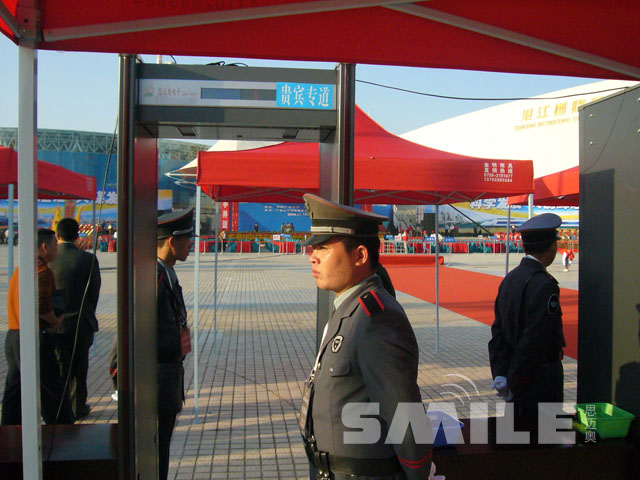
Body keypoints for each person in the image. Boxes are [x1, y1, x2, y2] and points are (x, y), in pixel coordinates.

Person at [299, 193, 442, 480]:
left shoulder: (376, 318)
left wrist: (419, 474)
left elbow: (404, 413)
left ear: (360, 255)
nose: (312, 256)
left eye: (324, 248)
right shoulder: (348, 307)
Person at [488, 213, 566, 421]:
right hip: (538, 379)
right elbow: (535, 340)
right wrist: (516, 381)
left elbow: (498, 331)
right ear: (552, 248)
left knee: (515, 442)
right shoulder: (544, 284)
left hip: (516, 375)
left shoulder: (510, 278)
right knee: (544, 443)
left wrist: (501, 374)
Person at [1, 228, 75, 425]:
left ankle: (9, 432)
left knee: (14, 390)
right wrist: (54, 320)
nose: (56, 250)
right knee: (51, 389)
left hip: (14, 336)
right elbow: (41, 305)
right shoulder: (41, 272)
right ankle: (61, 434)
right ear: (44, 247)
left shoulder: (21, 269)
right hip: (35, 338)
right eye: (54, 246)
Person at [49, 218, 101, 419]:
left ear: (57, 235)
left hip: (54, 324)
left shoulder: (48, 258)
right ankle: (78, 406)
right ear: (78, 234)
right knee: (80, 366)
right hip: (81, 322)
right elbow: (94, 292)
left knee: (60, 367)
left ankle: (60, 408)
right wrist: (88, 312)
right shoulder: (88, 259)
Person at [157, 208, 194, 480]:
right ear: (172, 241)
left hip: (167, 378)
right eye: (187, 239)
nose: (190, 244)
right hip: (154, 384)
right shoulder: (153, 278)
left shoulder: (167, 273)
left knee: (163, 448)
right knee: (156, 452)